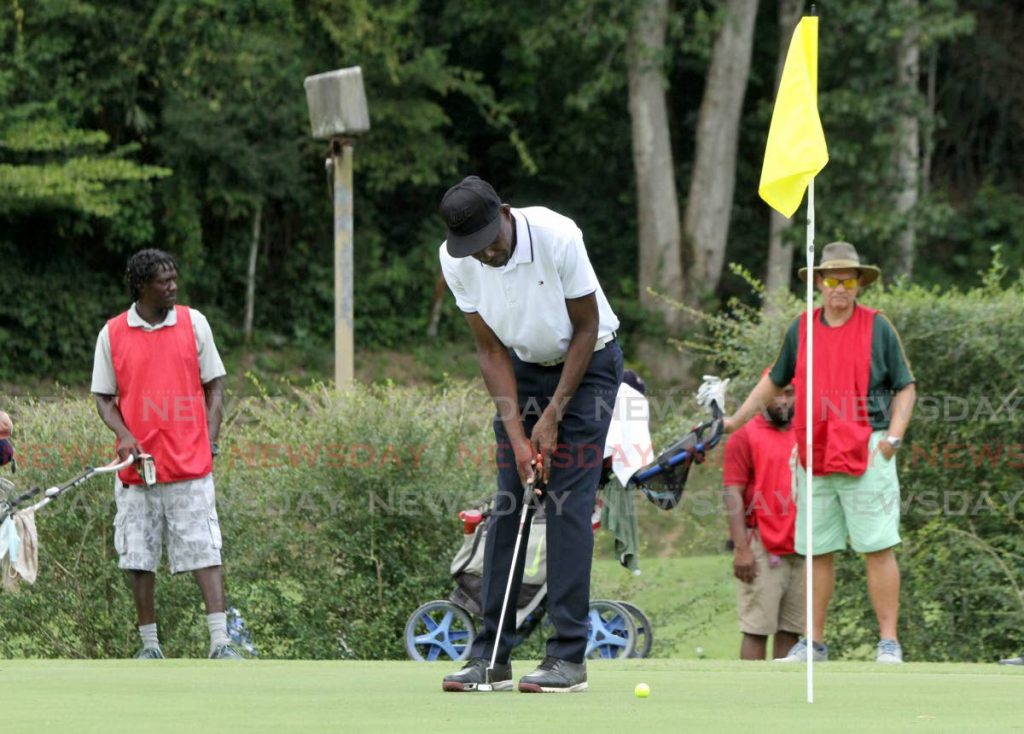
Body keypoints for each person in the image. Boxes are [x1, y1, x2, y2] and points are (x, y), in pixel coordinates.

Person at [438, 176, 623, 693]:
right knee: (507, 503)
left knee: (565, 504)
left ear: (504, 211)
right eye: (473, 249)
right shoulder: (457, 261)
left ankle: (568, 658)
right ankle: (491, 655)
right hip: (522, 369)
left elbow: (586, 328)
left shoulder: (558, 235)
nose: (486, 254)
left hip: (588, 369)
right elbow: (490, 351)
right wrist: (519, 437)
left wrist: (554, 414)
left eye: (489, 241)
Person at [723, 241, 916, 664]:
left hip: (868, 447)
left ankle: (888, 642)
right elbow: (775, 380)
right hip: (813, 450)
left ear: (859, 284)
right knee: (816, 549)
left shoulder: (878, 327)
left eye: (848, 280)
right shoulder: (801, 328)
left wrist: (893, 439)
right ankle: (814, 643)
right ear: (819, 283)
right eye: (831, 279)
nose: (839, 287)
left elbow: (906, 385)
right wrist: (736, 420)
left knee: (877, 546)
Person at [91, 249, 241, 660]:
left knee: (205, 550)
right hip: (137, 469)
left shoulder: (195, 323)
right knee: (137, 556)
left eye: (174, 278)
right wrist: (123, 434)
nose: (173, 285)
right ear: (141, 285)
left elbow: (215, 386)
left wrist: (209, 441)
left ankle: (220, 643)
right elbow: (103, 397)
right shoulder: (113, 333)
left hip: (191, 466)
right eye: (163, 280)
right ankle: (150, 647)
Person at [723, 378, 802, 661]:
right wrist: (741, 549)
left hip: (802, 545)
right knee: (756, 629)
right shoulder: (744, 435)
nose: (783, 401)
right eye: (777, 395)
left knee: (793, 632)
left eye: (790, 394)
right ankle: (749, 694)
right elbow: (732, 492)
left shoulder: (805, 432)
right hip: (760, 545)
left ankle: (783, 699)